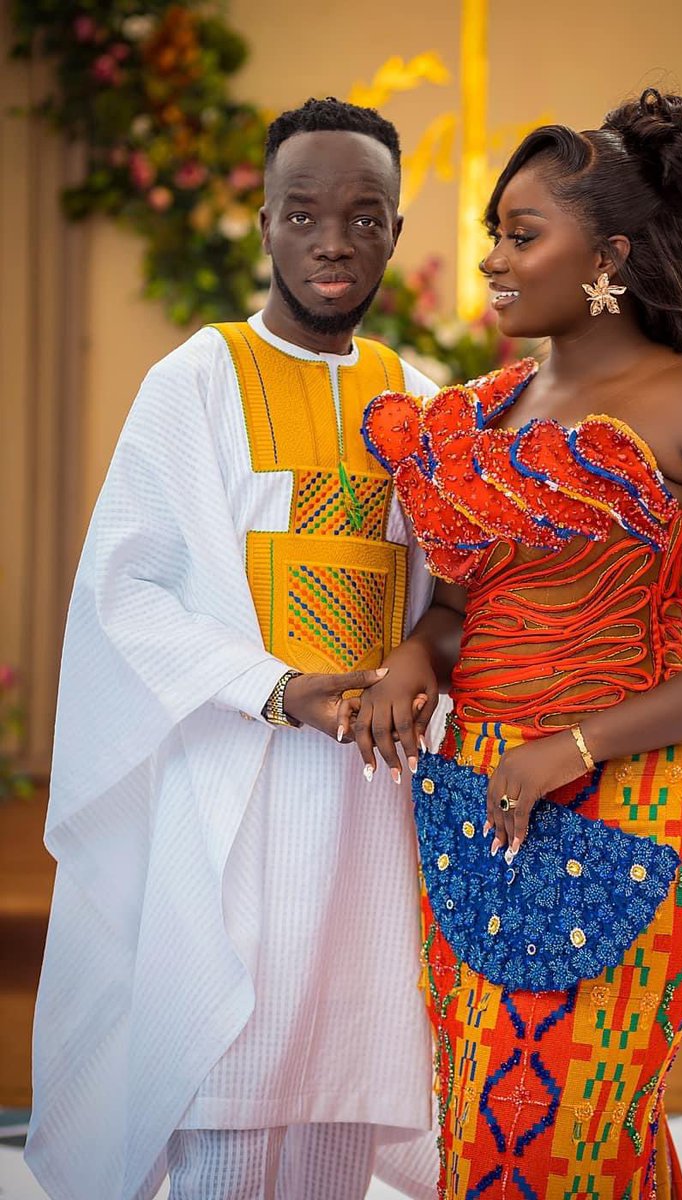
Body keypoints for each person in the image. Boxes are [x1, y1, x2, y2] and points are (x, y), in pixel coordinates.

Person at [358, 88, 682, 1198]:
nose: (492, 260)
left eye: (522, 235)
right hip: (477, 808)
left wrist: (570, 746)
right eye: (491, 236)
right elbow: (468, 606)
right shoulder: (488, 410)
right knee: (498, 1140)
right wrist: (420, 654)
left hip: (635, 811)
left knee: (553, 1143)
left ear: (608, 255)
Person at [26, 97, 444, 1200]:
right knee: (228, 1086)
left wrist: (412, 666)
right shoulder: (194, 382)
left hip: (370, 805)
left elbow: (458, 593)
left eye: (364, 216)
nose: (333, 240)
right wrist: (278, 689)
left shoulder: (420, 402)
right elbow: (130, 592)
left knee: (340, 1100)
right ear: (261, 222)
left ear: (396, 230)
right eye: (302, 213)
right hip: (237, 783)